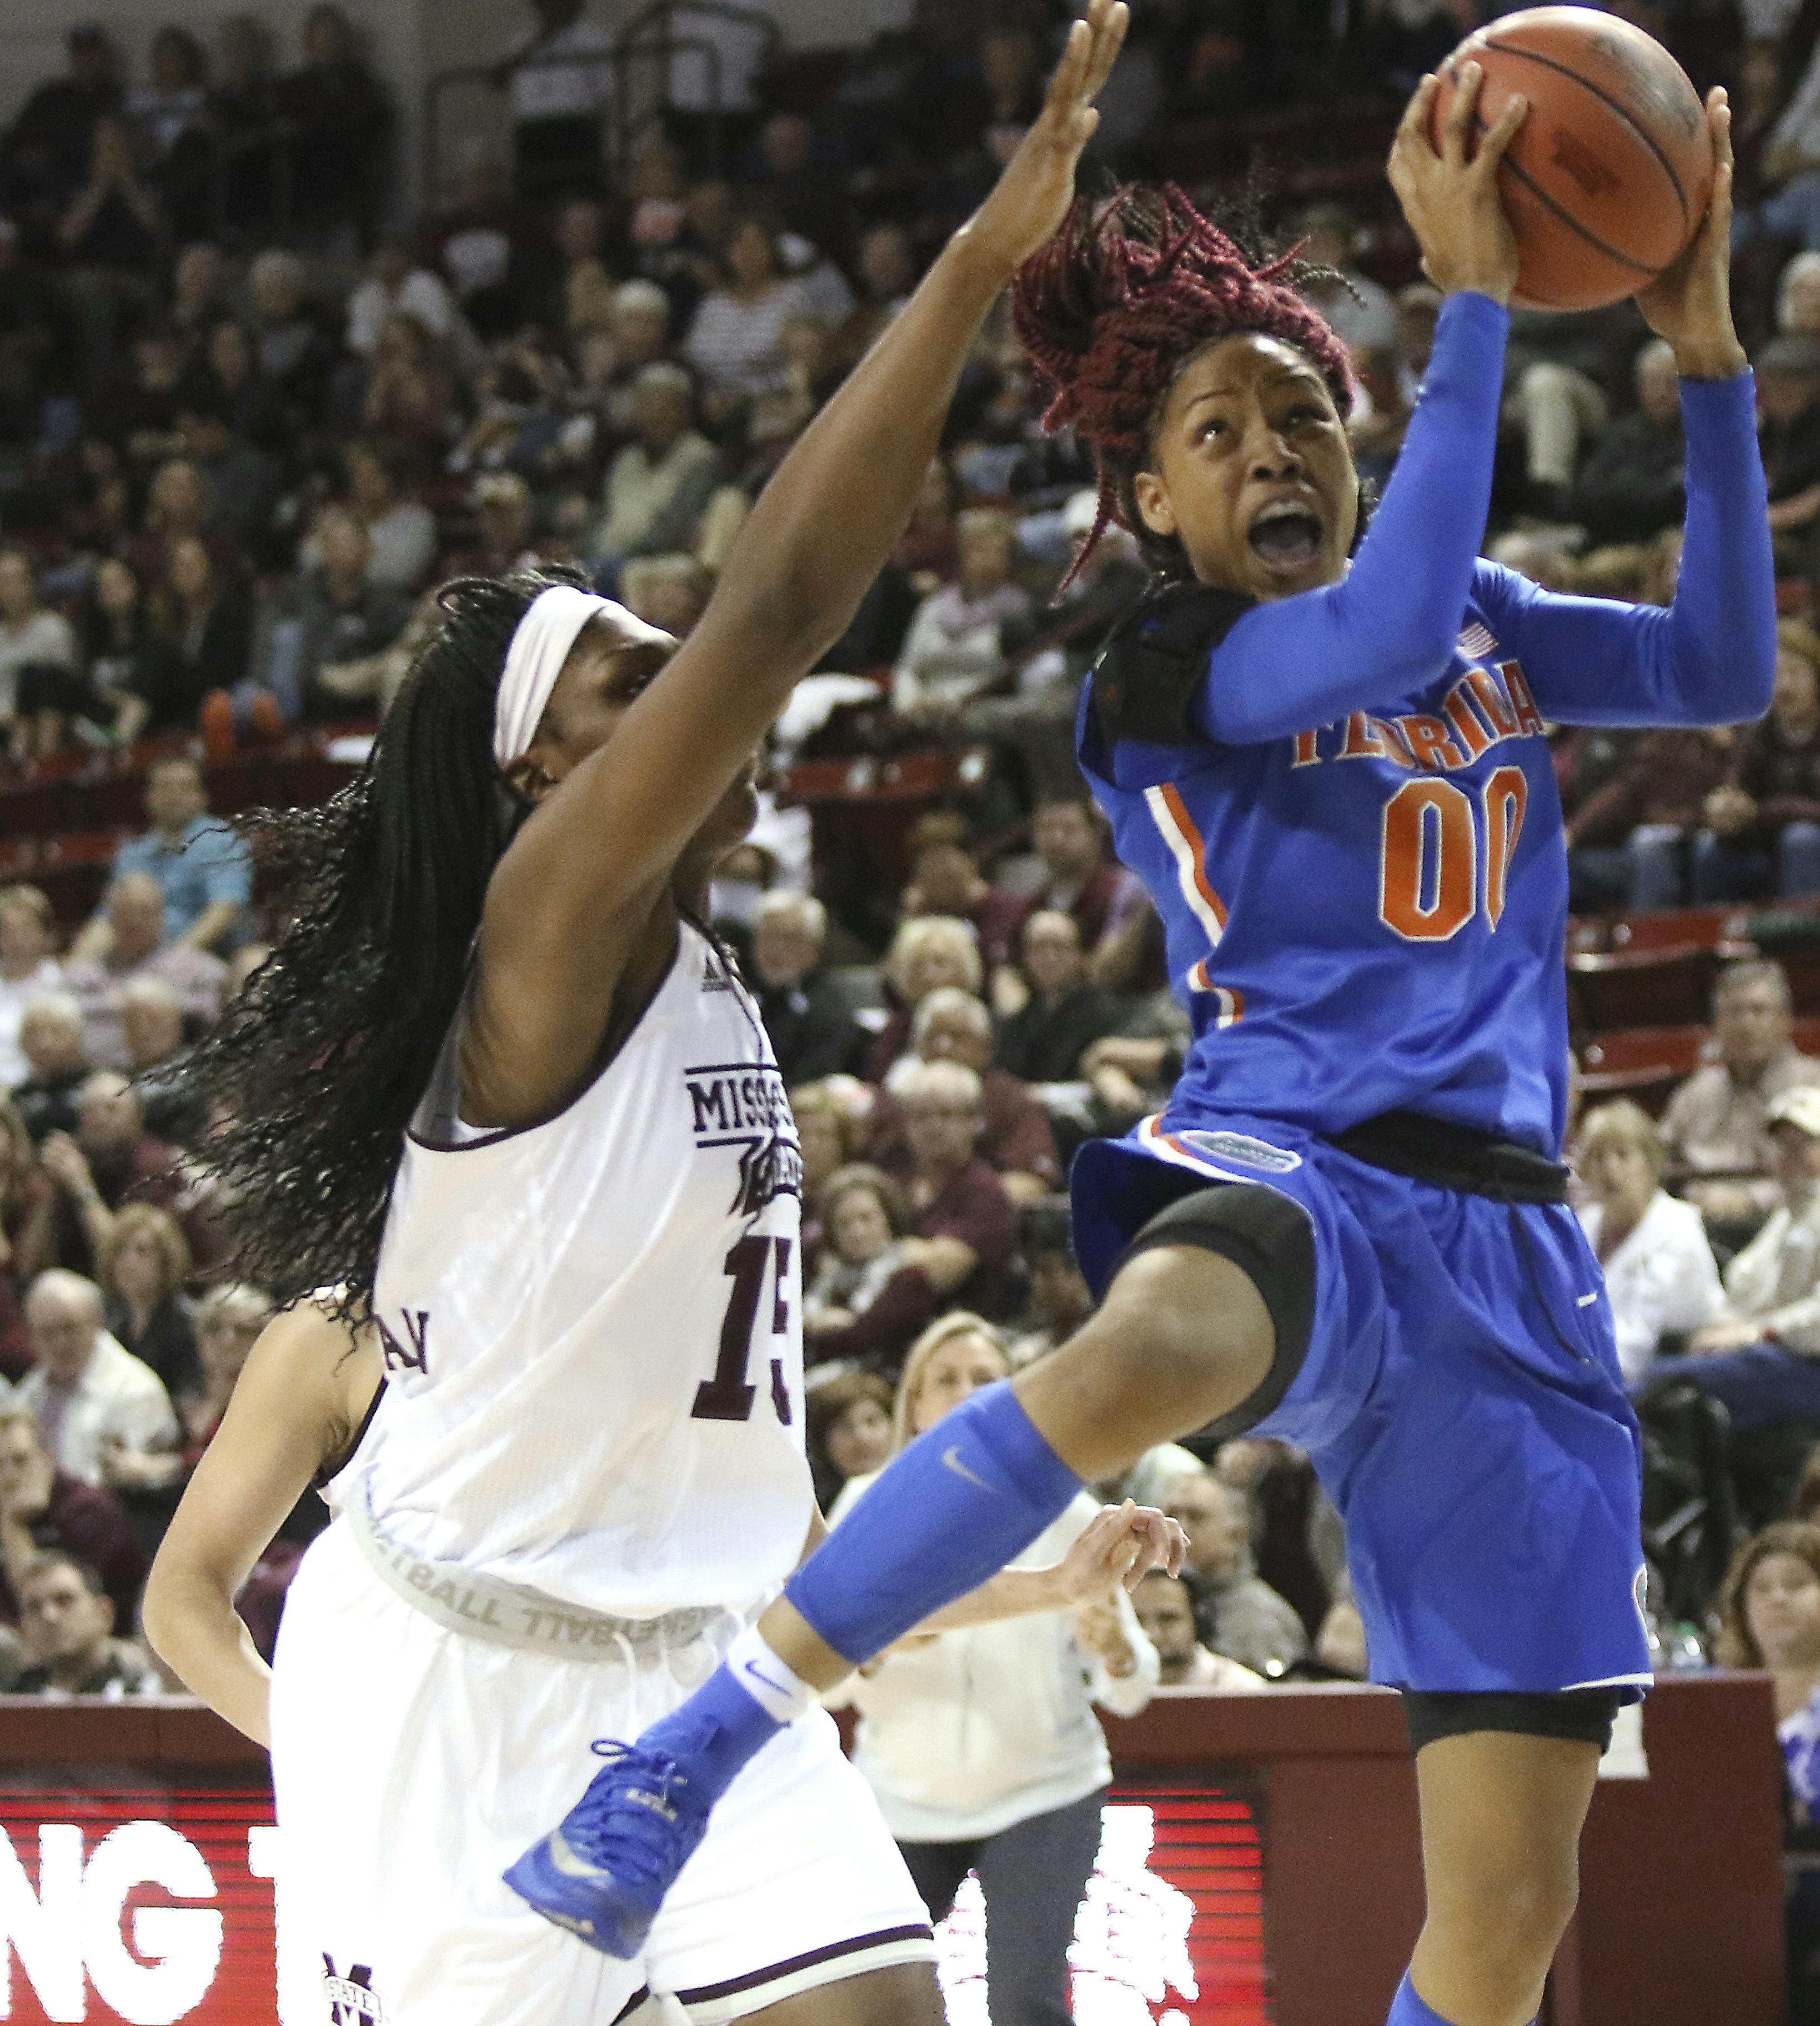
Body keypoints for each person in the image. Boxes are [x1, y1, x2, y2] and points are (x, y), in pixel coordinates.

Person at [589, 58, 1778, 2026]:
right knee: (1145, 1345)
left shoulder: (1466, 607)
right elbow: (1380, 630)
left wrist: (1710, 361)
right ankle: (692, 1746)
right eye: (1213, 431)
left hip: (1512, 1258)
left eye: (1303, 407)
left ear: (1359, 436)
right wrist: (1470, 294)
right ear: (1145, 499)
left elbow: (1719, 663)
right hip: (1286, 1164)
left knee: (1497, 1929)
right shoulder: (1168, 666)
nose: (1268, 445)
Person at [149, 15, 1170, 2022]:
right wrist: (970, 268)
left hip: (700, 1662)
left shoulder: (693, 961)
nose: (683, 692)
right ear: (543, 781)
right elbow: (778, 608)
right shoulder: (542, 929)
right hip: (453, 1683)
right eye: (626, 680)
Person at [828, 1313, 1158, 2026]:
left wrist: (1113, 1645)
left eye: (985, 1379)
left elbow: (1132, 1691)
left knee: (1024, 2005)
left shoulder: (1068, 1509)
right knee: (871, 2006)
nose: (965, 1393)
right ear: (912, 1405)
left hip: (1045, 1791)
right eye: (944, 1380)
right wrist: (876, 1650)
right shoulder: (864, 1507)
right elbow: (821, 1678)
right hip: (900, 1799)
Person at [1668, 1087, 1820, 1432]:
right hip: (1774, 1356)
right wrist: (1724, 1326)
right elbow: (1746, 1286)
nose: (1791, 1156)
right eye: (1784, 1146)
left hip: (1804, 1364)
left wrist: (1755, 1333)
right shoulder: (1788, 1214)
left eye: (1805, 1144)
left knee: (1668, 1383)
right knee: (1677, 1359)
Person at [1574, 1100, 1726, 1390]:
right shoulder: (1586, 1223)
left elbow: (1636, 1344)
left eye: (1623, 1155)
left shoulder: (1676, 1226)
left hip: (1676, 1365)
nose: (1610, 1169)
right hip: (1602, 1361)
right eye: (1598, 1157)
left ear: (1650, 1162)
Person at [1662, 960, 1820, 1227]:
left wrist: (1750, 1200)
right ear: (1717, 1026)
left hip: (1793, 1226)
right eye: (1734, 1013)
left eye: (1759, 1011)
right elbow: (1657, 1161)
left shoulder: (1814, 1084)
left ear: (1785, 1021)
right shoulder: (1694, 1095)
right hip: (1700, 1228)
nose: (1746, 1024)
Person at [16, 1270, 178, 1491]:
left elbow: (125, 1486)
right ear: (31, 1338)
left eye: (69, 1328)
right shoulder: (30, 1390)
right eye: (47, 1333)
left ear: (97, 1323)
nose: (61, 1344)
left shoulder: (136, 1391)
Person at [0, 1406, 146, 1627]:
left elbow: (50, 1618)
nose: (9, 1477)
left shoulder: (91, 1511)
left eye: (21, 1460)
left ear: (48, 1457)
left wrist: (14, 1527)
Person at [63, 872, 227, 1068]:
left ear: (163, 915)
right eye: (126, 911)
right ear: (109, 917)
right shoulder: (81, 976)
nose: (135, 921)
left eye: (145, 911)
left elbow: (211, 1018)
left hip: (175, 1075)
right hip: (96, 1077)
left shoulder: (200, 969)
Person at [1160, 1465, 1308, 1677]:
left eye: (1196, 1517)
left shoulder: (1260, 1617)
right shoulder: (1139, 1602)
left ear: (1236, 1535)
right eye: (1171, 1517)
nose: (1180, 1530)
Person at [802, 1164, 936, 1377]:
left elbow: (864, 1336)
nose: (857, 1232)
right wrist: (811, 1323)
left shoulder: (909, 1274)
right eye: (844, 1224)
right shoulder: (828, 1276)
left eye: (866, 1218)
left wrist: (819, 1331)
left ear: (888, 1218)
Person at [747, 893, 865, 1086]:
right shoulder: (734, 993)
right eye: (768, 935)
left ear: (814, 949)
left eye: (790, 938)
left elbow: (818, 1072)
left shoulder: (828, 1008)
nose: (776, 948)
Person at [13, 1552, 160, 1697]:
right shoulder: (14, 1698)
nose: (50, 1617)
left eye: (64, 1600)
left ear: (104, 1613)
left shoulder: (145, 1690)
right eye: (34, 1607)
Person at [1132, 1566, 1265, 1688]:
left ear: (1198, 1620)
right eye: (1136, 1620)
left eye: (1168, 1619)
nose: (1152, 1634)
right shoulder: (1111, 1690)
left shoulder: (1241, 1689)